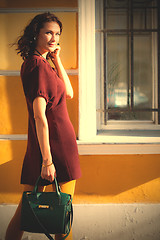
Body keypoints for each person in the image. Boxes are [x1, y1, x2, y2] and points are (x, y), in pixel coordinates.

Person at [5, 12, 81, 240]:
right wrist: (47, 161)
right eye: (48, 32)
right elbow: (40, 117)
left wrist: (56, 58)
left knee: (29, 212)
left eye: (57, 34)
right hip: (54, 149)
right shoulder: (37, 67)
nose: (53, 38)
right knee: (61, 217)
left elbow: (68, 93)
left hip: (52, 146)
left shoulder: (42, 64)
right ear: (35, 34)